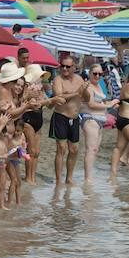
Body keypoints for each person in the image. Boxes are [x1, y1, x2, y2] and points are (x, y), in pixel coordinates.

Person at [48, 52, 89, 184]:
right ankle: (59, 179)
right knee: (61, 148)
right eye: (62, 66)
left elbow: (87, 99)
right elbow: (59, 97)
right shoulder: (58, 80)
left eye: (67, 67)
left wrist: (85, 90)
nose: (64, 69)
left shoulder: (79, 79)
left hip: (74, 118)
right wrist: (76, 92)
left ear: (74, 67)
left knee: (74, 149)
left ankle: (69, 177)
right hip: (61, 116)